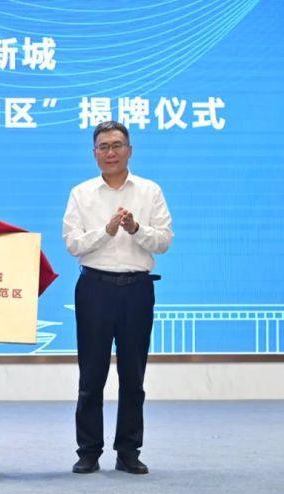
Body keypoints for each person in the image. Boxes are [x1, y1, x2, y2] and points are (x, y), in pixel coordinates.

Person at [62, 121, 173, 475]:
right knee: (91, 376)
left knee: (133, 376)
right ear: (94, 153)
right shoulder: (81, 193)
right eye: (103, 146)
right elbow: (73, 244)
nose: (110, 152)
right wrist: (106, 231)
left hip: (137, 290)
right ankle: (88, 451)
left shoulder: (150, 191)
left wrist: (135, 229)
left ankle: (128, 451)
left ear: (130, 150)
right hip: (94, 289)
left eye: (117, 145)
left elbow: (164, 241)